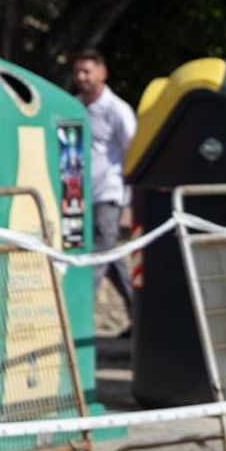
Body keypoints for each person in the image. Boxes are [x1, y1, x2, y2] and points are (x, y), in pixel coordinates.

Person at [72, 49, 138, 329]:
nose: (81, 77)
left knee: (98, 254)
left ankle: (78, 316)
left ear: (102, 73)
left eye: (87, 71)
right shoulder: (74, 106)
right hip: (78, 196)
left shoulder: (116, 110)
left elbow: (133, 150)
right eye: (78, 71)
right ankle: (142, 315)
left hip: (108, 195)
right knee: (111, 258)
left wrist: (131, 195)